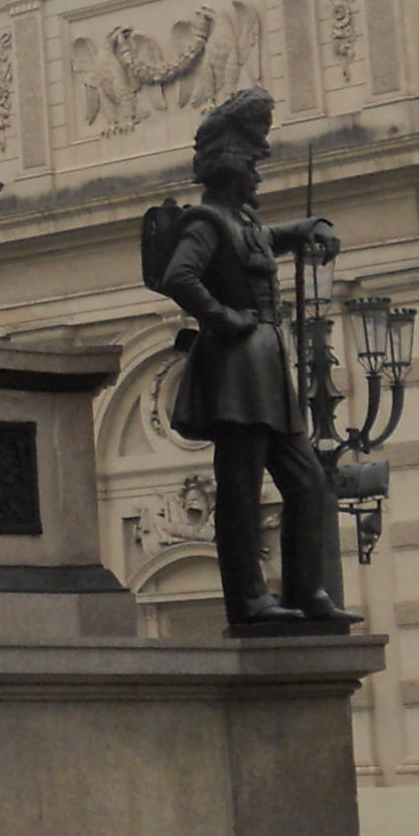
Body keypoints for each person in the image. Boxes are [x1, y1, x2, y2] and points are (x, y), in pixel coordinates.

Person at [155, 86, 349, 627]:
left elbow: (270, 236)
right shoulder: (207, 223)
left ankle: (306, 592)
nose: (260, 177)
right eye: (254, 168)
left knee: (308, 482)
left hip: (267, 367)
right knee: (239, 490)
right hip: (237, 369)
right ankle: (249, 601)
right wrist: (223, 318)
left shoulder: (244, 225)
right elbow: (179, 276)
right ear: (233, 170)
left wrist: (313, 227)